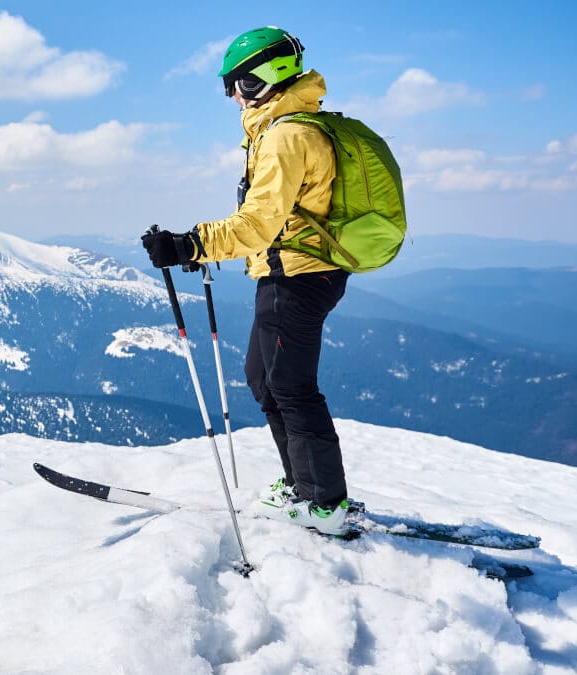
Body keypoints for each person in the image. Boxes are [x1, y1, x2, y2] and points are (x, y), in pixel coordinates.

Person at [141, 26, 351, 535]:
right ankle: (302, 488)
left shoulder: (287, 136)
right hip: (291, 272)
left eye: (237, 82)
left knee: (291, 386)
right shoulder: (280, 128)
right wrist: (204, 246)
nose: (232, 94)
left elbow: (259, 223)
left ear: (265, 78)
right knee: (265, 378)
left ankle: (326, 504)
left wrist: (191, 243)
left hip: (298, 277)